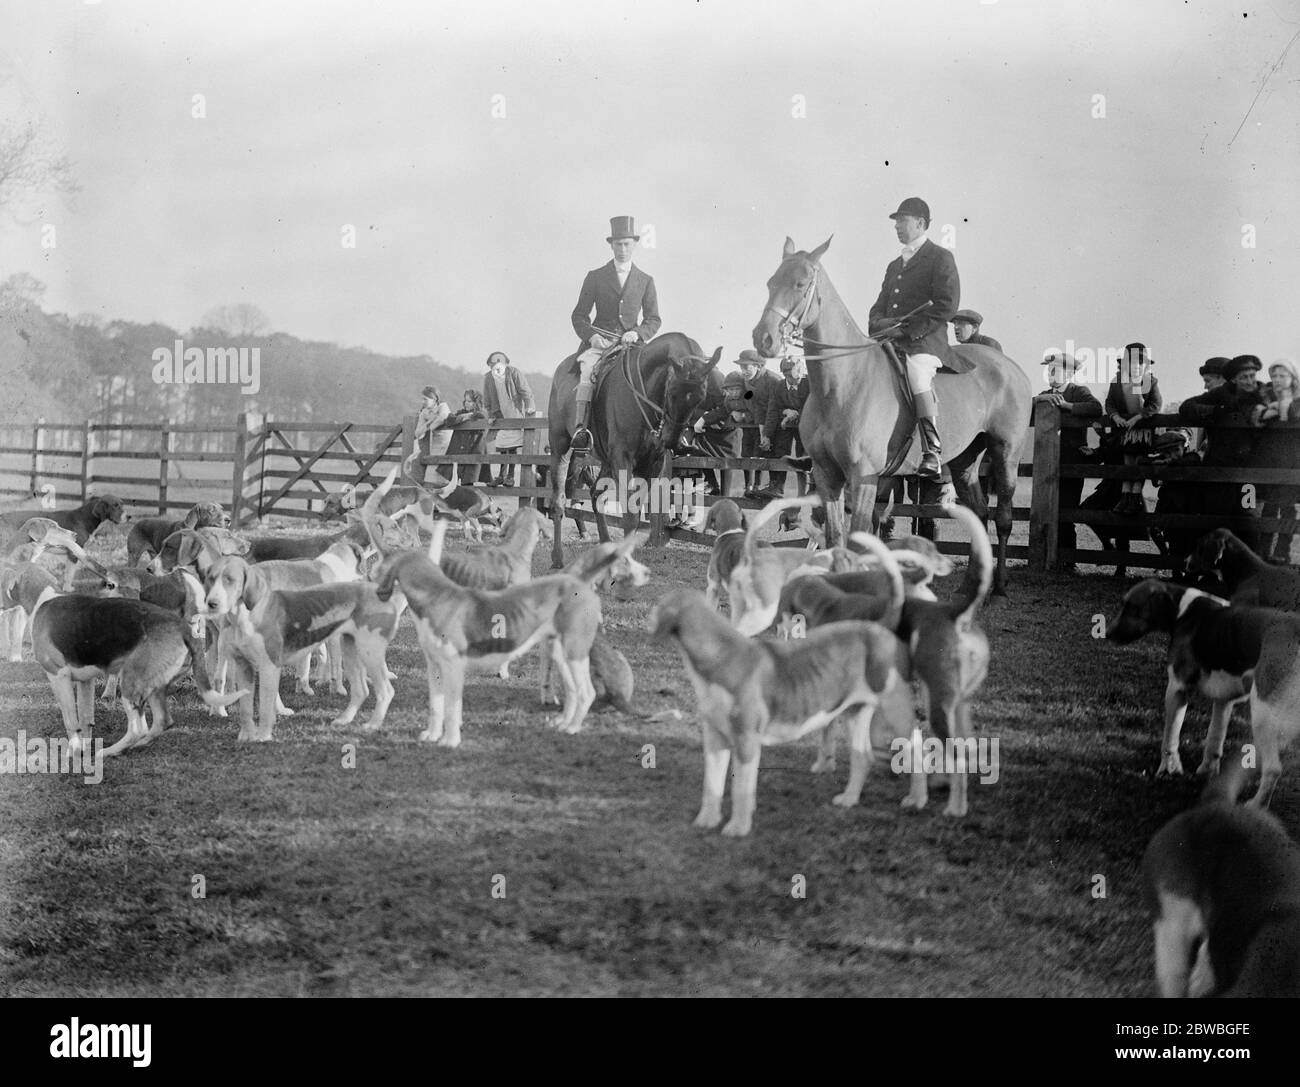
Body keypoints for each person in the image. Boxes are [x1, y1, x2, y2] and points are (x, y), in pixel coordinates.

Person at [867, 197, 973, 482]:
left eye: (902, 221)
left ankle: (932, 450)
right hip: (890, 340)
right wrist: (879, 322)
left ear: (921, 224)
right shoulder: (894, 265)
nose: (898, 227)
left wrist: (907, 330)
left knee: (917, 374)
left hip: (924, 341)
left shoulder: (940, 257)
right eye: (896, 222)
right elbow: (879, 304)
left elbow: (946, 305)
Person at [568, 215, 662, 453]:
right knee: (588, 372)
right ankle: (582, 430)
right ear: (611, 245)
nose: (622, 249)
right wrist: (591, 337)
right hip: (601, 344)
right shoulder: (595, 276)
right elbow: (579, 315)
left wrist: (637, 333)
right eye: (618, 244)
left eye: (627, 244)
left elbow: (653, 319)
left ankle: (657, 430)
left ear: (634, 245)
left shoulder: (646, 280)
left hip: (631, 345)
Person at [1179, 354, 1271, 553]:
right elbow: (1187, 407)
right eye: (1243, 377)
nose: (1249, 381)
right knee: (1215, 519)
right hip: (1219, 473)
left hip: (1250, 477)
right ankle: (1213, 573)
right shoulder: (1222, 394)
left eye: (1252, 376)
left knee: (1249, 519)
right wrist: (1218, 411)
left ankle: (1252, 573)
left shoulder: (1263, 392)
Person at [1036, 351, 1102, 560]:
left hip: (1071, 460)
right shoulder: (1045, 393)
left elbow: (1096, 408)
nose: (1050, 372)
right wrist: (1040, 399)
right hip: (1046, 461)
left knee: (1066, 509)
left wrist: (1067, 406)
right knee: (1044, 508)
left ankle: (1067, 559)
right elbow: (1025, 408)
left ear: (1069, 373)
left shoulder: (1078, 391)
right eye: (1049, 369)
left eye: (1055, 369)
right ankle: (1046, 556)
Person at [1105, 343, 1162, 515]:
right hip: (1125, 431)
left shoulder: (1150, 382)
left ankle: (1134, 498)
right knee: (1127, 462)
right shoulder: (1117, 382)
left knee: (1139, 463)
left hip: (1142, 431)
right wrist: (1115, 417)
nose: (1136, 367)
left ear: (1146, 366)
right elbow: (1110, 403)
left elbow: (1156, 405)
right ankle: (1125, 496)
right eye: (1132, 363)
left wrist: (1139, 417)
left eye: (1140, 363)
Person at [1255, 358, 1300, 560]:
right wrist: (1270, 410)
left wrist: (1279, 408)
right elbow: (1257, 418)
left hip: (1293, 460)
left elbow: (1291, 414)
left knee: (1288, 508)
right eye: (1274, 376)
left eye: (1283, 375)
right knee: (1269, 507)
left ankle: (1283, 552)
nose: (1278, 380)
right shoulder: (1265, 397)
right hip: (1270, 460)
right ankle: (1264, 552)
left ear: (1292, 377)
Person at [481, 350, 537, 488]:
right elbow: (487, 399)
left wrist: (530, 406)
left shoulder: (513, 373)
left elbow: (525, 391)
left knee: (511, 447)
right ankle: (501, 476)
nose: (496, 364)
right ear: (489, 365)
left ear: (505, 362)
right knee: (501, 446)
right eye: (493, 362)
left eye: (499, 361)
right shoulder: (489, 377)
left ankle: (510, 477)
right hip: (500, 415)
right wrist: (491, 415)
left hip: (514, 413)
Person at [758, 356, 809, 498]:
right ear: (784, 374)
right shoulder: (779, 386)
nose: (795, 379)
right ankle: (777, 486)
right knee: (779, 450)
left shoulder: (809, 384)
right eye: (790, 376)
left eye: (799, 375)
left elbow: (814, 405)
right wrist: (766, 435)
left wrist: (797, 413)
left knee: (805, 455)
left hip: (806, 426)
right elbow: (773, 410)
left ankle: (811, 487)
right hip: (785, 426)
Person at [693, 370, 748, 496]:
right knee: (698, 445)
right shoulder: (700, 380)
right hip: (715, 429)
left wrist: (743, 415)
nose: (733, 392)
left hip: (731, 432)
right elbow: (720, 410)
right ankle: (713, 484)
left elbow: (753, 408)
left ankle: (729, 493)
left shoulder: (715, 376)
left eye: (736, 389)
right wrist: (706, 417)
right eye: (731, 389)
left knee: (729, 461)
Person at [735, 349, 779, 497]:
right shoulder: (745, 380)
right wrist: (744, 413)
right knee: (747, 454)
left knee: (766, 455)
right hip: (753, 423)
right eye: (741, 367)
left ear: (758, 366)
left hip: (773, 424)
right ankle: (750, 487)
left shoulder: (772, 380)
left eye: (746, 367)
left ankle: (766, 487)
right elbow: (744, 400)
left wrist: (766, 433)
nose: (743, 371)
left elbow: (772, 409)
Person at [413, 385, 452, 485]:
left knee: (444, 474)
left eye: (425, 399)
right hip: (434, 445)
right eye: (422, 399)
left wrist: (429, 427)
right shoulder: (424, 412)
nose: (422, 402)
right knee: (431, 475)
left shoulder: (443, 406)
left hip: (448, 444)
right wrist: (428, 423)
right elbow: (418, 434)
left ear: (434, 399)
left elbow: (442, 418)